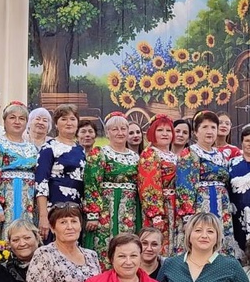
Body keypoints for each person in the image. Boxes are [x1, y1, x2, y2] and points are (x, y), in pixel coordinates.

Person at [84, 113, 141, 269]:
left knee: (127, 242)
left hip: (129, 209)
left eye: (123, 129)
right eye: (115, 129)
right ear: (107, 133)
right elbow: (92, 183)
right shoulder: (100, 153)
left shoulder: (135, 157)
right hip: (106, 209)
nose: (120, 133)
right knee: (104, 245)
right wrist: (93, 214)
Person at [176, 112, 234, 256]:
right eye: (205, 127)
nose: (210, 131)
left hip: (222, 205)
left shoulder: (220, 154)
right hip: (201, 204)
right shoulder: (190, 153)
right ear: (196, 132)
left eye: (213, 127)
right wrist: (187, 216)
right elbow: (184, 186)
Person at [0, 100, 39, 241]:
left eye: (22, 118)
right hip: (5, 200)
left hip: (28, 201)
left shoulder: (32, 148)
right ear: (5, 120)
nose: (17, 122)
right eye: (12, 117)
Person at [34, 104, 86, 241]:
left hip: (76, 207)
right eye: (64, 119)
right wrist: (43, 217)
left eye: (72, 119)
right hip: (55, 206)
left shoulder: (80, 150)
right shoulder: (48, 148)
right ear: (56, 124)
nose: (69, 123)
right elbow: (41, 183)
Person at [138, 115, 182, 255]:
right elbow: (148, 185)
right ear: (152, 132)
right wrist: (156, 215)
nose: (165, 134)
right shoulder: (150, 154)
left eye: (168, 130)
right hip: (161, 207)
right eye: (160, 130)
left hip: (175, 205)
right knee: (160, 242)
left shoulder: (174, 155)